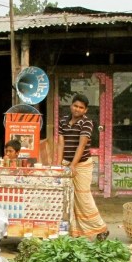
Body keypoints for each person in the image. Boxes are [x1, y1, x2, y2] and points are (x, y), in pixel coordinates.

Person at [55, 94, 109, 241]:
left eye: (81, 107)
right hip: (66, 164)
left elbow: (82, 144)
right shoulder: (63, 121)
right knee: (68, 199)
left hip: (82, 165)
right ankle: (75, 232)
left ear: (85, 110)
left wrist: (73, 165)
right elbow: (61, 144)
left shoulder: (87, 122)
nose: (77, 109)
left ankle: (101, 228)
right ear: (71, 106)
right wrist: (59, 165)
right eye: (75, 106)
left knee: (83, 197)